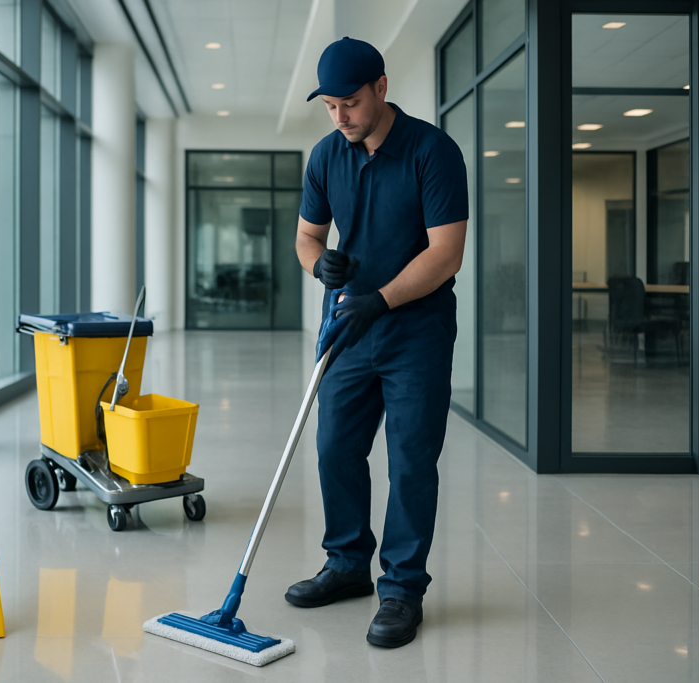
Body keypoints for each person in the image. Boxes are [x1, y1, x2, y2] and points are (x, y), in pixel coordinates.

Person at [285, 36, 468, 649]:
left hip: (415, 331)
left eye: (351, 103)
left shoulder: (433, 152)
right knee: (335, 448)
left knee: (411, 460)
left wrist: (381, 299)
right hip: (348, 328)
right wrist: (319, 267)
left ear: (381, 88)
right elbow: (307, 238)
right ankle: (345, 565)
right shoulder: (325, 156)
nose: (340, 117)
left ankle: (401, 588)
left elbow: (446, 254)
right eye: (330, 106)